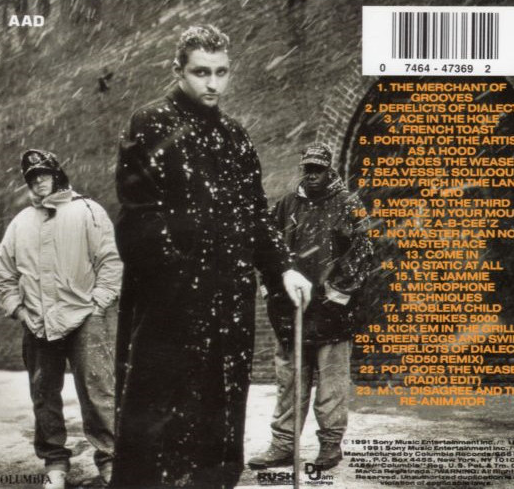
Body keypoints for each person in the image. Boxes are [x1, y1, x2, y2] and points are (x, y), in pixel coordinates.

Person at [112, 25, 312, 489]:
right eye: (201, 72)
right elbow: (139, 220)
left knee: (218, 423)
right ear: (178, 70)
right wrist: (182, 283)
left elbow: (256, 215)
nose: (213, 84)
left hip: (229, 310)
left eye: (221, 72)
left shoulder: (235, 137)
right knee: (159, 422)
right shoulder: (150, 123)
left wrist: (284, 268)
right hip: (169, 308)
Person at [0, 149, 122, 489]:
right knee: (44, 395)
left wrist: (98, 303)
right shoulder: (21, 223)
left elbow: (110, 262)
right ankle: (55, 463)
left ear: (57, 176)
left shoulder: (88, 211)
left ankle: (111, 461)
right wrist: (19, 310)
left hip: (85, 318)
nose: (38, 181)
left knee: (98, 392)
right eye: (32, 178)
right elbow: (5, 274)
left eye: (44, 174)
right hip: (37, 323)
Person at [248, 143, 373, 471]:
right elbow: (268, 248)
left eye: (318, 169)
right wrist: (272, 289)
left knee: (331, 386)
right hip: (292, 311)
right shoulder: (287, 204)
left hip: (332, 314)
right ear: (302, 168)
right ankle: (283, 445)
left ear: (329, 170)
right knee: (289, 382)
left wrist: (337, 292)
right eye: (308, 168)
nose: (313, 175)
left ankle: (330, 446)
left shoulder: (347, 204)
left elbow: (364, 250)